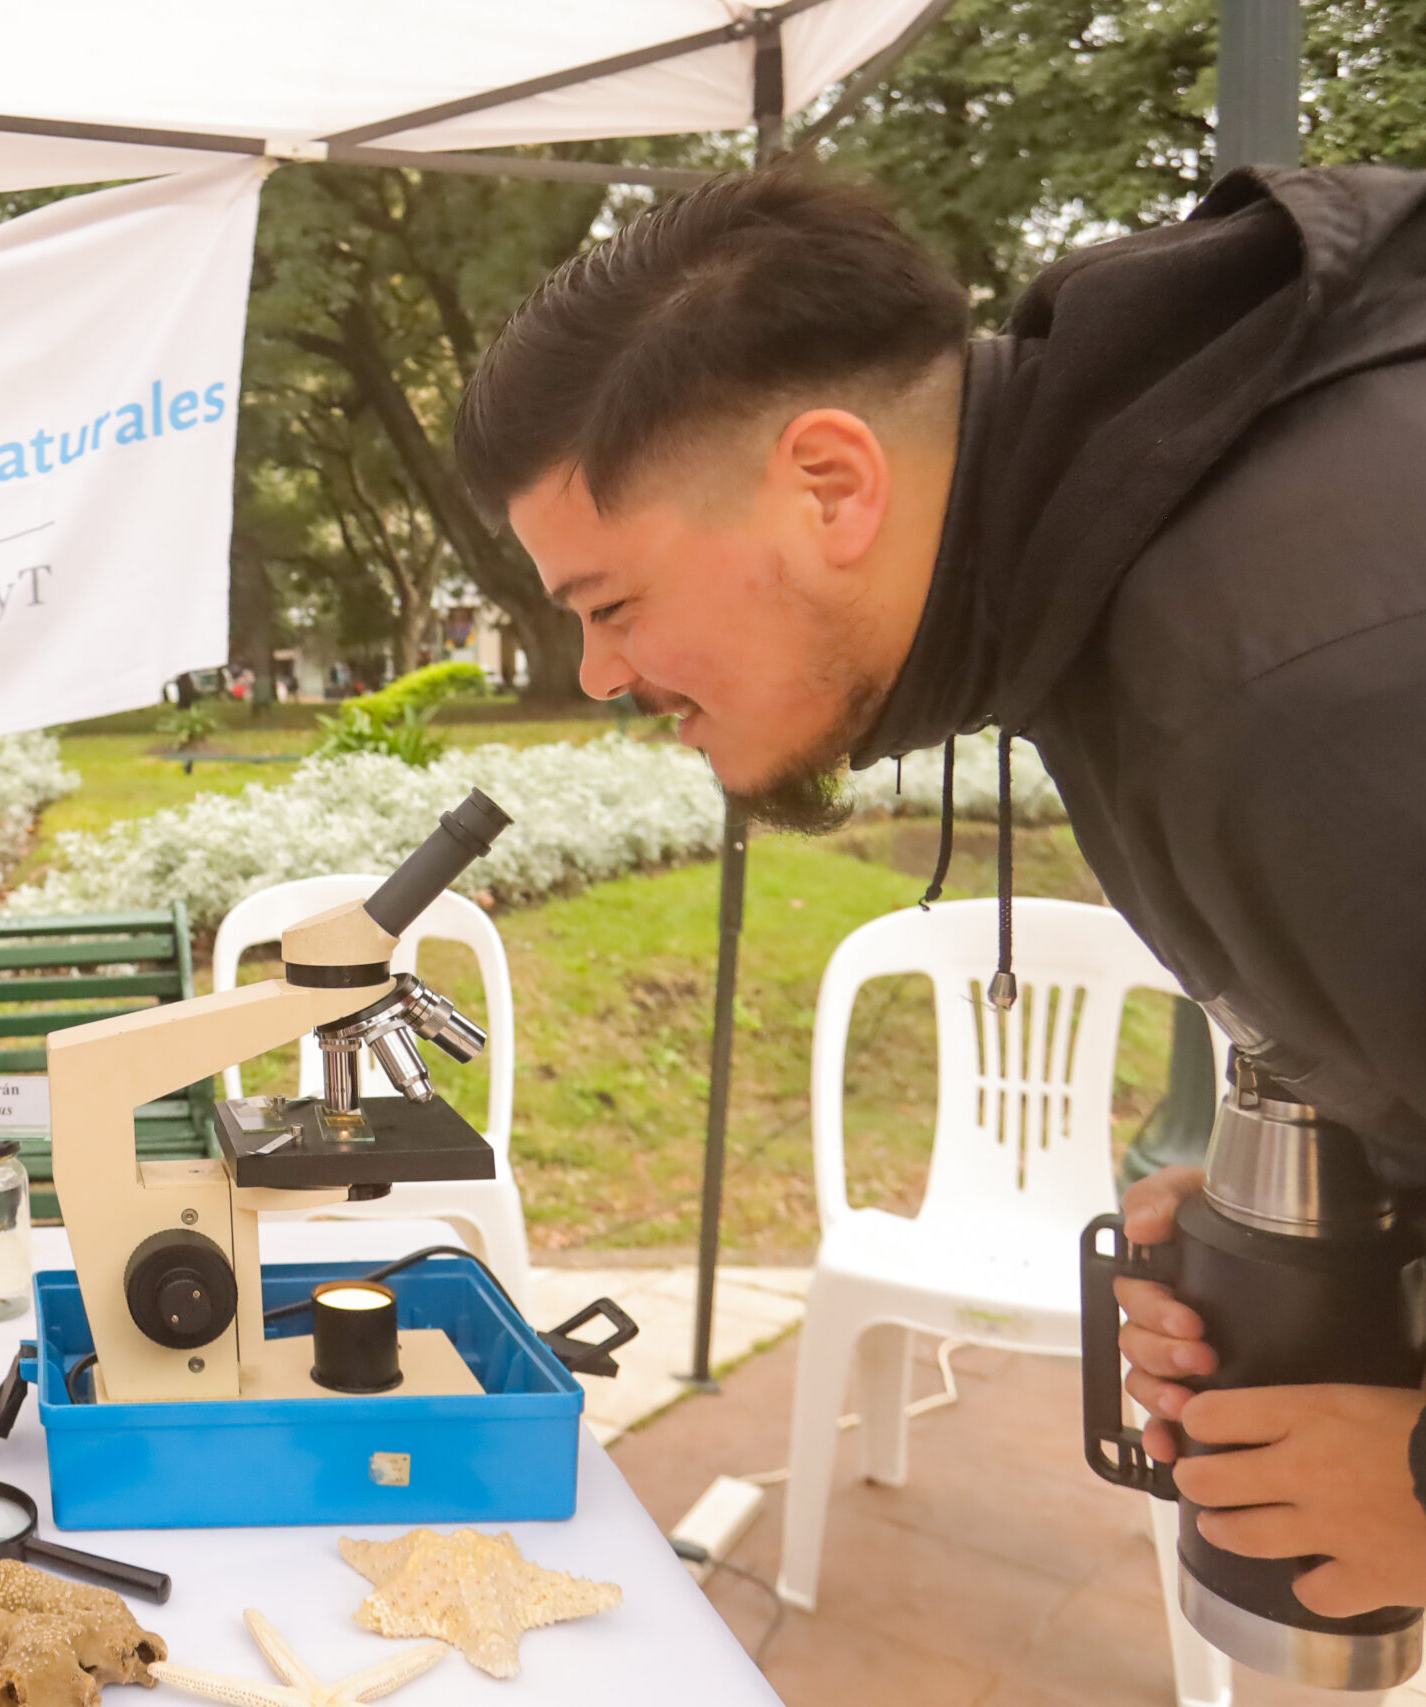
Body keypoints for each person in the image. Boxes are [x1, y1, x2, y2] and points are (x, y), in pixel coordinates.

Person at [454, 162, 1426, 1616]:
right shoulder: (1117, 568)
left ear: (831, 486)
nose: (599, 673)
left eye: (615, 604)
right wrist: (1328, 1186)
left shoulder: (1285, 684)